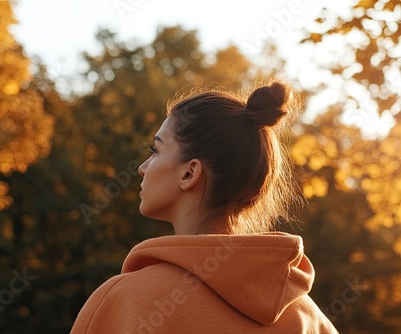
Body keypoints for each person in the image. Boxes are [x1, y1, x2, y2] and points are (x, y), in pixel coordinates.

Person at [71, 81, 339, 333]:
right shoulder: (311, 320)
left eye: (155, 150)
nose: (142, 168)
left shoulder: (122, 303)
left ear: (190, 173)